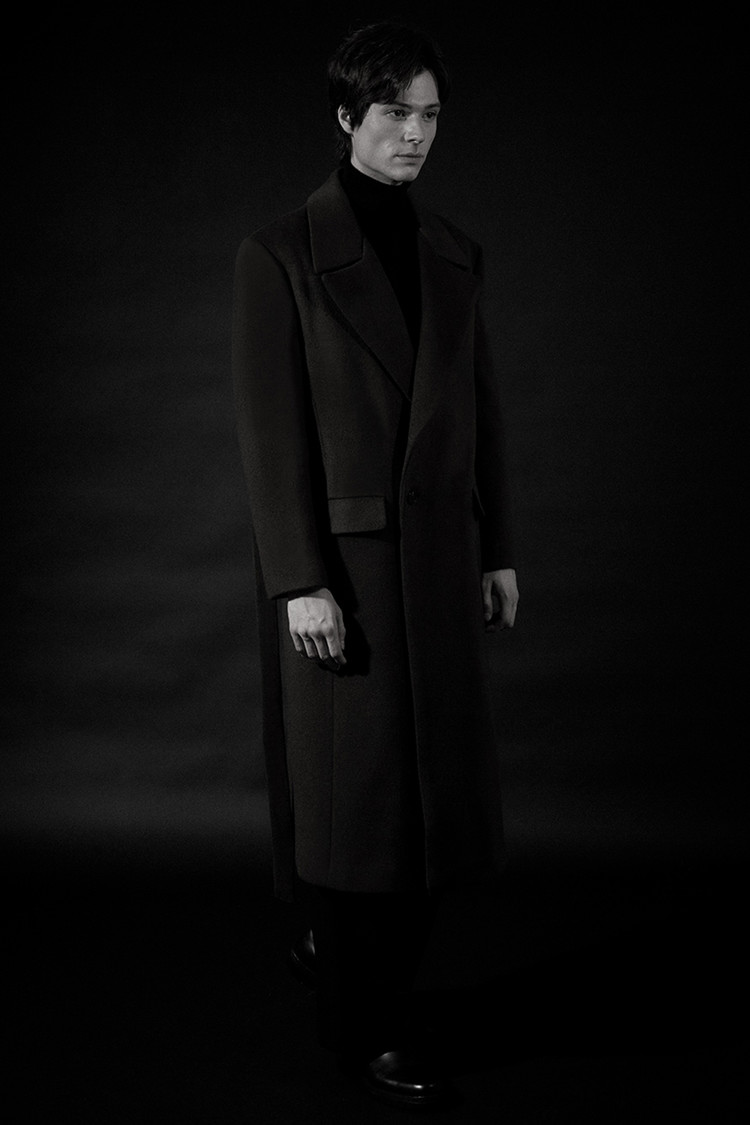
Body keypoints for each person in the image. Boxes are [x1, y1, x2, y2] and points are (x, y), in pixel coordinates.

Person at [232, 21, 518, 1109]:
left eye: (431, 115)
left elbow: (480, 411)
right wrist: (298, 578)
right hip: (345, 578)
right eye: (396, 112)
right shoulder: (279, 256)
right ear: (348, 116)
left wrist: (499, 549)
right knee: (357, 814)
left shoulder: (455, 249)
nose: (415, 133)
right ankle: (363, 1024)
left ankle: (353, 971)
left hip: (440, 568)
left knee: (431, 814)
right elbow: (270, 434)